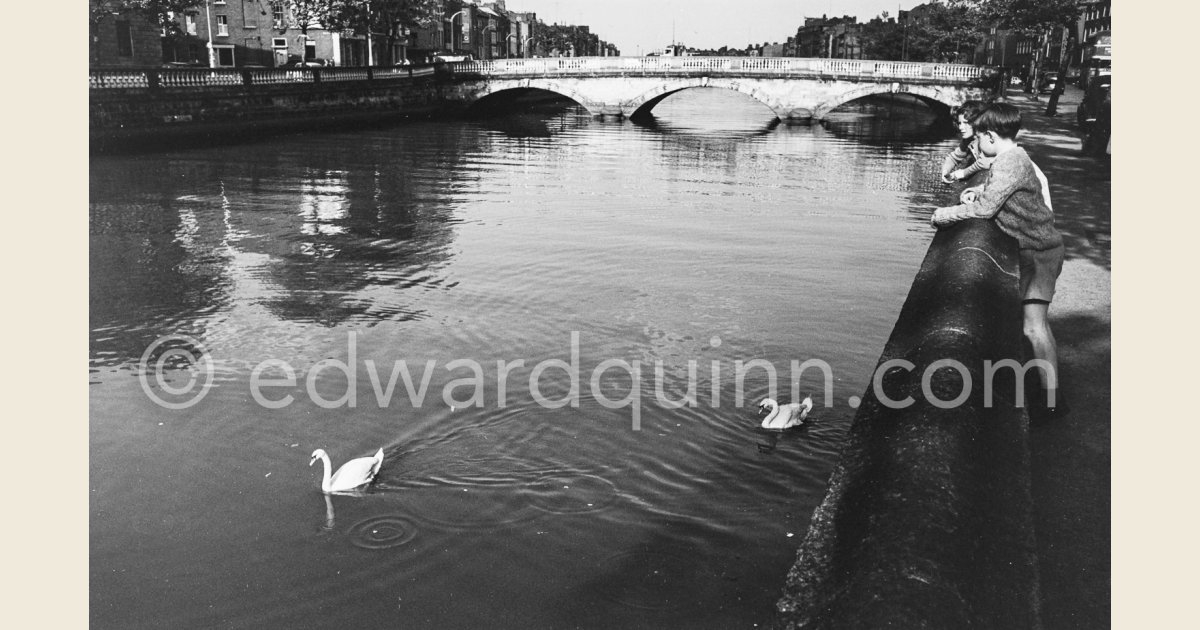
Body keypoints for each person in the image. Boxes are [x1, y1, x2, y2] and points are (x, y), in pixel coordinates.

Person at [930, 103, 1068, 423]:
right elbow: (1008, 192)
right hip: (1036, 249)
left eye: (978, 138)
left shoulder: (1009, 162)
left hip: (1039, 252)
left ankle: (1052, 403)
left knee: (1034, 327)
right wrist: (978, 189)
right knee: (1031, 326)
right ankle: (1047, 396)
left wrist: (944, 215)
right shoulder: (1015, 158)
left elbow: (984, 212)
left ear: (991, 136)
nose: (975, 145)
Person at [940, 100, 991, 184]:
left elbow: (984, 163)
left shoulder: (986, 138)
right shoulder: (969, 139)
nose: (961, 127)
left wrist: (963, 173)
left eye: (966, 123)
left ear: (977, 122)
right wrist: (945, 171)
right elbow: (953, 158)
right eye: (960, 123)